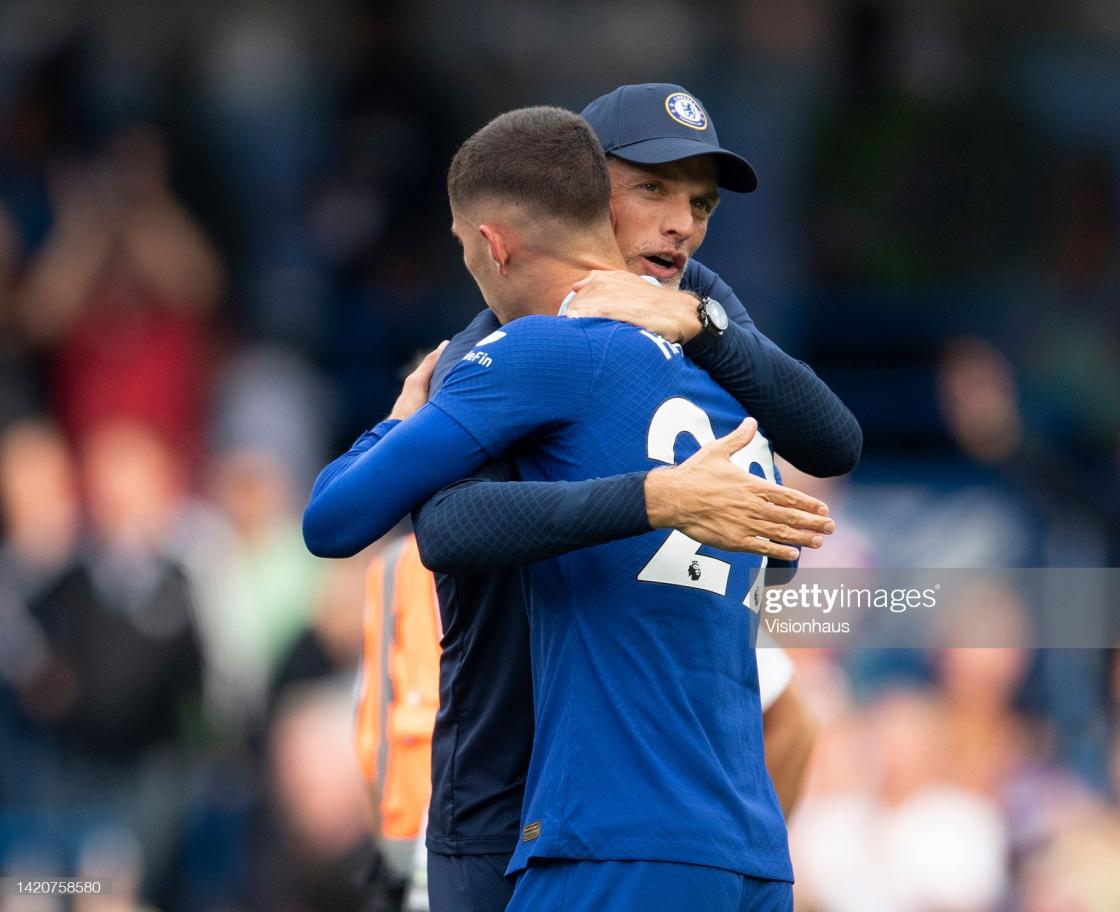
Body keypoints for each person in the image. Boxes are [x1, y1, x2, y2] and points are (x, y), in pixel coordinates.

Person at [305, 104, 819, 911]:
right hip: (744, 848)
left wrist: (400, 419)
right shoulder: (723, 372)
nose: (680, 226)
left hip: (597, 833)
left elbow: (338, 520)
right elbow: (804, 508)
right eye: (656, 191)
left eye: (700, 205)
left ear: (492, 242)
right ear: (599, 201)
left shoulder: (537, 351)